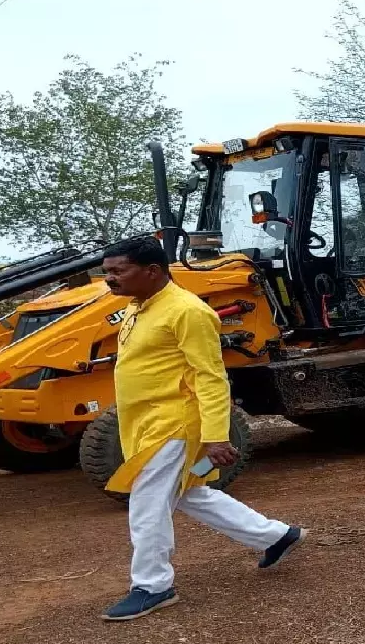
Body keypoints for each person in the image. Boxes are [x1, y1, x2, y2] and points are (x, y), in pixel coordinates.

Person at [98, 237, 306, 621]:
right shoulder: (135, 308)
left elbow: (211, 378)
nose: (109, 279)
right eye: (106, 271)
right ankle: (274, 535)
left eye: (117, 271)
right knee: (187, 493)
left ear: (153, 271)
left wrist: (215, 435)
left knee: (146, 502)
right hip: (143, 423)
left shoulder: (188, 312)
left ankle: (152, 585)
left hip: (174, 423)